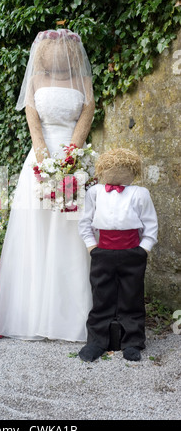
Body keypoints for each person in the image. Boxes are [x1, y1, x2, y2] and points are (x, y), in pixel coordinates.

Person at [0, 29, 95, 341]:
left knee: (70, 230)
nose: (58, 52)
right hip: (40, 160)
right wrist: (45, 159)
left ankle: (70, 317)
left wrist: (71, 157)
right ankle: (32, 313)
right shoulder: (35, 80)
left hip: (74, 161)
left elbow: (85, 118)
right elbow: (34, 122)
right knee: (36, 230)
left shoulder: (84, 82)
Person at [78, 148, 158, 361]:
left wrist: (144, 249)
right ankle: (96, 341)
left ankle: (133, 341)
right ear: (102, 169)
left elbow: (150, 223)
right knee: (101, 296)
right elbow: (86, 221)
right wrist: (91, 247)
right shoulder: (94, 192)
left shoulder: (140, 193)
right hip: (102, 252)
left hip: (132, 253)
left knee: (131, 296)